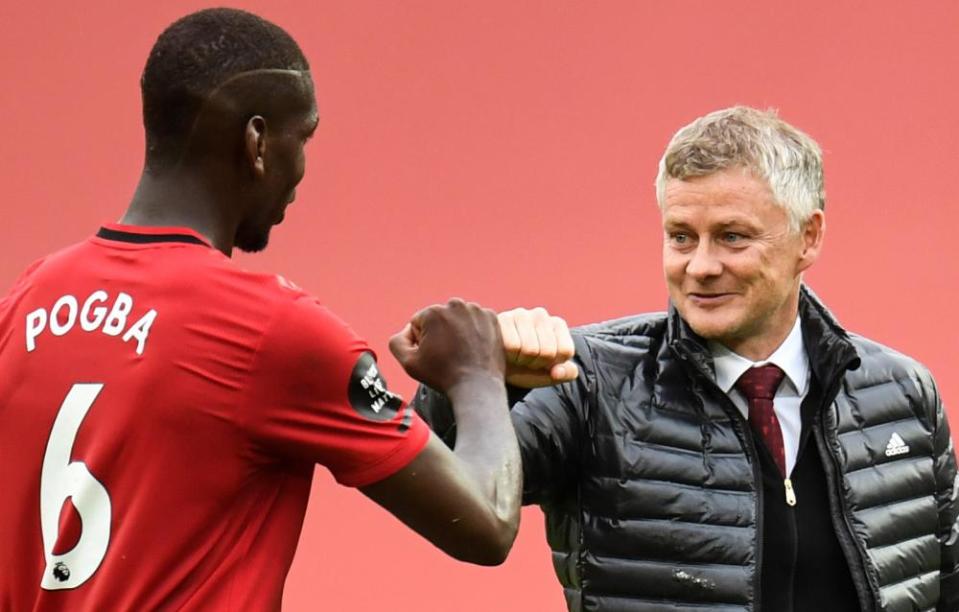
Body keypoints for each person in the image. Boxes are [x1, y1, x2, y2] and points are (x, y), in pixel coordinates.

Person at [0, 8, 576, 610]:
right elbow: (485, 523)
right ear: (256, 141)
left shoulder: (25, 300)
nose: (300, 175)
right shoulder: (271, 330)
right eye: (304, 138)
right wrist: (476, 373)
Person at [417, 106, 959, 611]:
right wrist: (477, 380)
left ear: (808, 237)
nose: (700, 265)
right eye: (681, 237)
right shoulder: (582, 380)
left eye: (731, 237)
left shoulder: (903, 393)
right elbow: (443, 495)